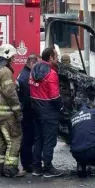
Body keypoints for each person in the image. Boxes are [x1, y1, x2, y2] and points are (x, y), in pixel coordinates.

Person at [0, 44, 26, 178]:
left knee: (1, 141)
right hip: (7, 114)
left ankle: (2, 168)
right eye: (12, 58)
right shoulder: (5, 71)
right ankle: (11, 169)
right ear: (7, 57)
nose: (13, 60)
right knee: (14, 139)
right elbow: (10, 93)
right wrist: (18, 112)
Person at [29, 47, 65, 178]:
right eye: (56, 56)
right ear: (50, 57)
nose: (57, 58)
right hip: (49, 111)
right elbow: (55, 97)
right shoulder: (51, 73)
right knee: (49, 140)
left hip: (36, 110)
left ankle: (36, 167)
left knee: (38, 139)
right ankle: (48, 167)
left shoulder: (34, 70)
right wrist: (60, 107)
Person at [16, 53, 39, 174]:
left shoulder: (23, 74)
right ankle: (27, 164)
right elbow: (26, 99)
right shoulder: (26, 78)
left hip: (24, 112)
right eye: (36, 65)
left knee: (27, 138)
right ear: (31, 63)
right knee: (28, 139)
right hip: (27, 113)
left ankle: (27, 163)